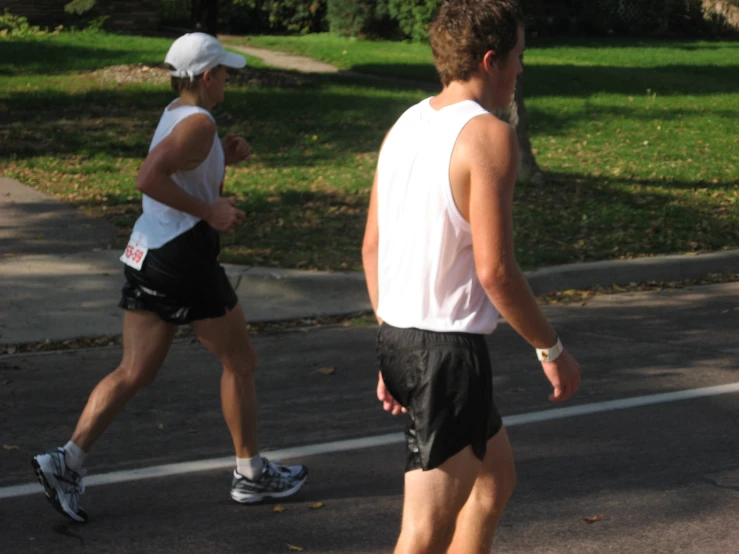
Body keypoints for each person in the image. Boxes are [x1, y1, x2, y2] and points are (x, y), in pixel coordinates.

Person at [32, 32, 307, 523]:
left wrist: (223, 153)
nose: (228, 79)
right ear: (206, 77)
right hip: (183, 258)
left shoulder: (180, 115)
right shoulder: (197, 122)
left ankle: (65, 461)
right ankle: (250, 475)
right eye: (224, 72)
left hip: (148, 251)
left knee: (134, 371)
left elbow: (180, 167)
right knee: (240, 360)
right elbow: (148, 178)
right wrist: (212, 210)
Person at [361, 1, 581, 552]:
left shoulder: (406, 124)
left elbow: (372, 248)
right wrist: (551, 348)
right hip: (446, 357)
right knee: (423, 532)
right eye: (518, 59)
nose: (521, 71)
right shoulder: (488, 136)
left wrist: (393, 345)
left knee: (493, 482)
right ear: (490, 61)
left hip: (409, 339)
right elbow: (496, 271)